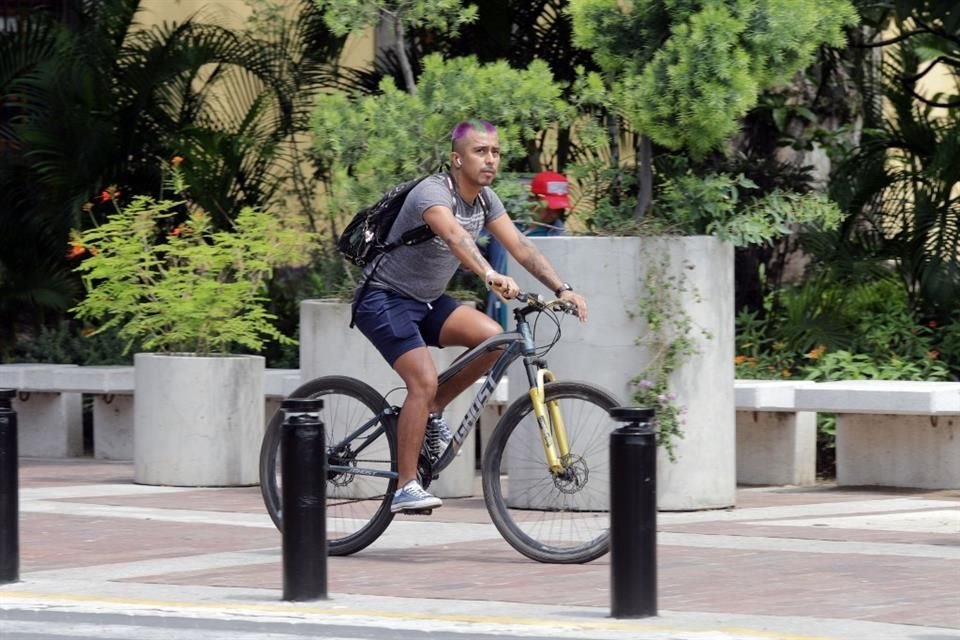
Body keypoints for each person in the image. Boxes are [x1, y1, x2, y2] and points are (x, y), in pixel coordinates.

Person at [351, 119, 588, 513]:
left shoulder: (485, 200)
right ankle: (405, 486)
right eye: (480, 151)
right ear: (456, 159)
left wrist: (562, 288)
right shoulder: (432, 193)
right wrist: (489, 274)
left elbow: (521, 247)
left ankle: (431, 409)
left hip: (427, 300)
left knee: (493, 340)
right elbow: (455, 237)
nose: (490, 159)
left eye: (495, 152)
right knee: (422, 380)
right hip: (383, 300)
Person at [524, 170, 571, 237]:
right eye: (549, 210)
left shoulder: (557, 232)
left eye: (558, 210)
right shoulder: (510, 222)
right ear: (533, 200)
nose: (554, 215)